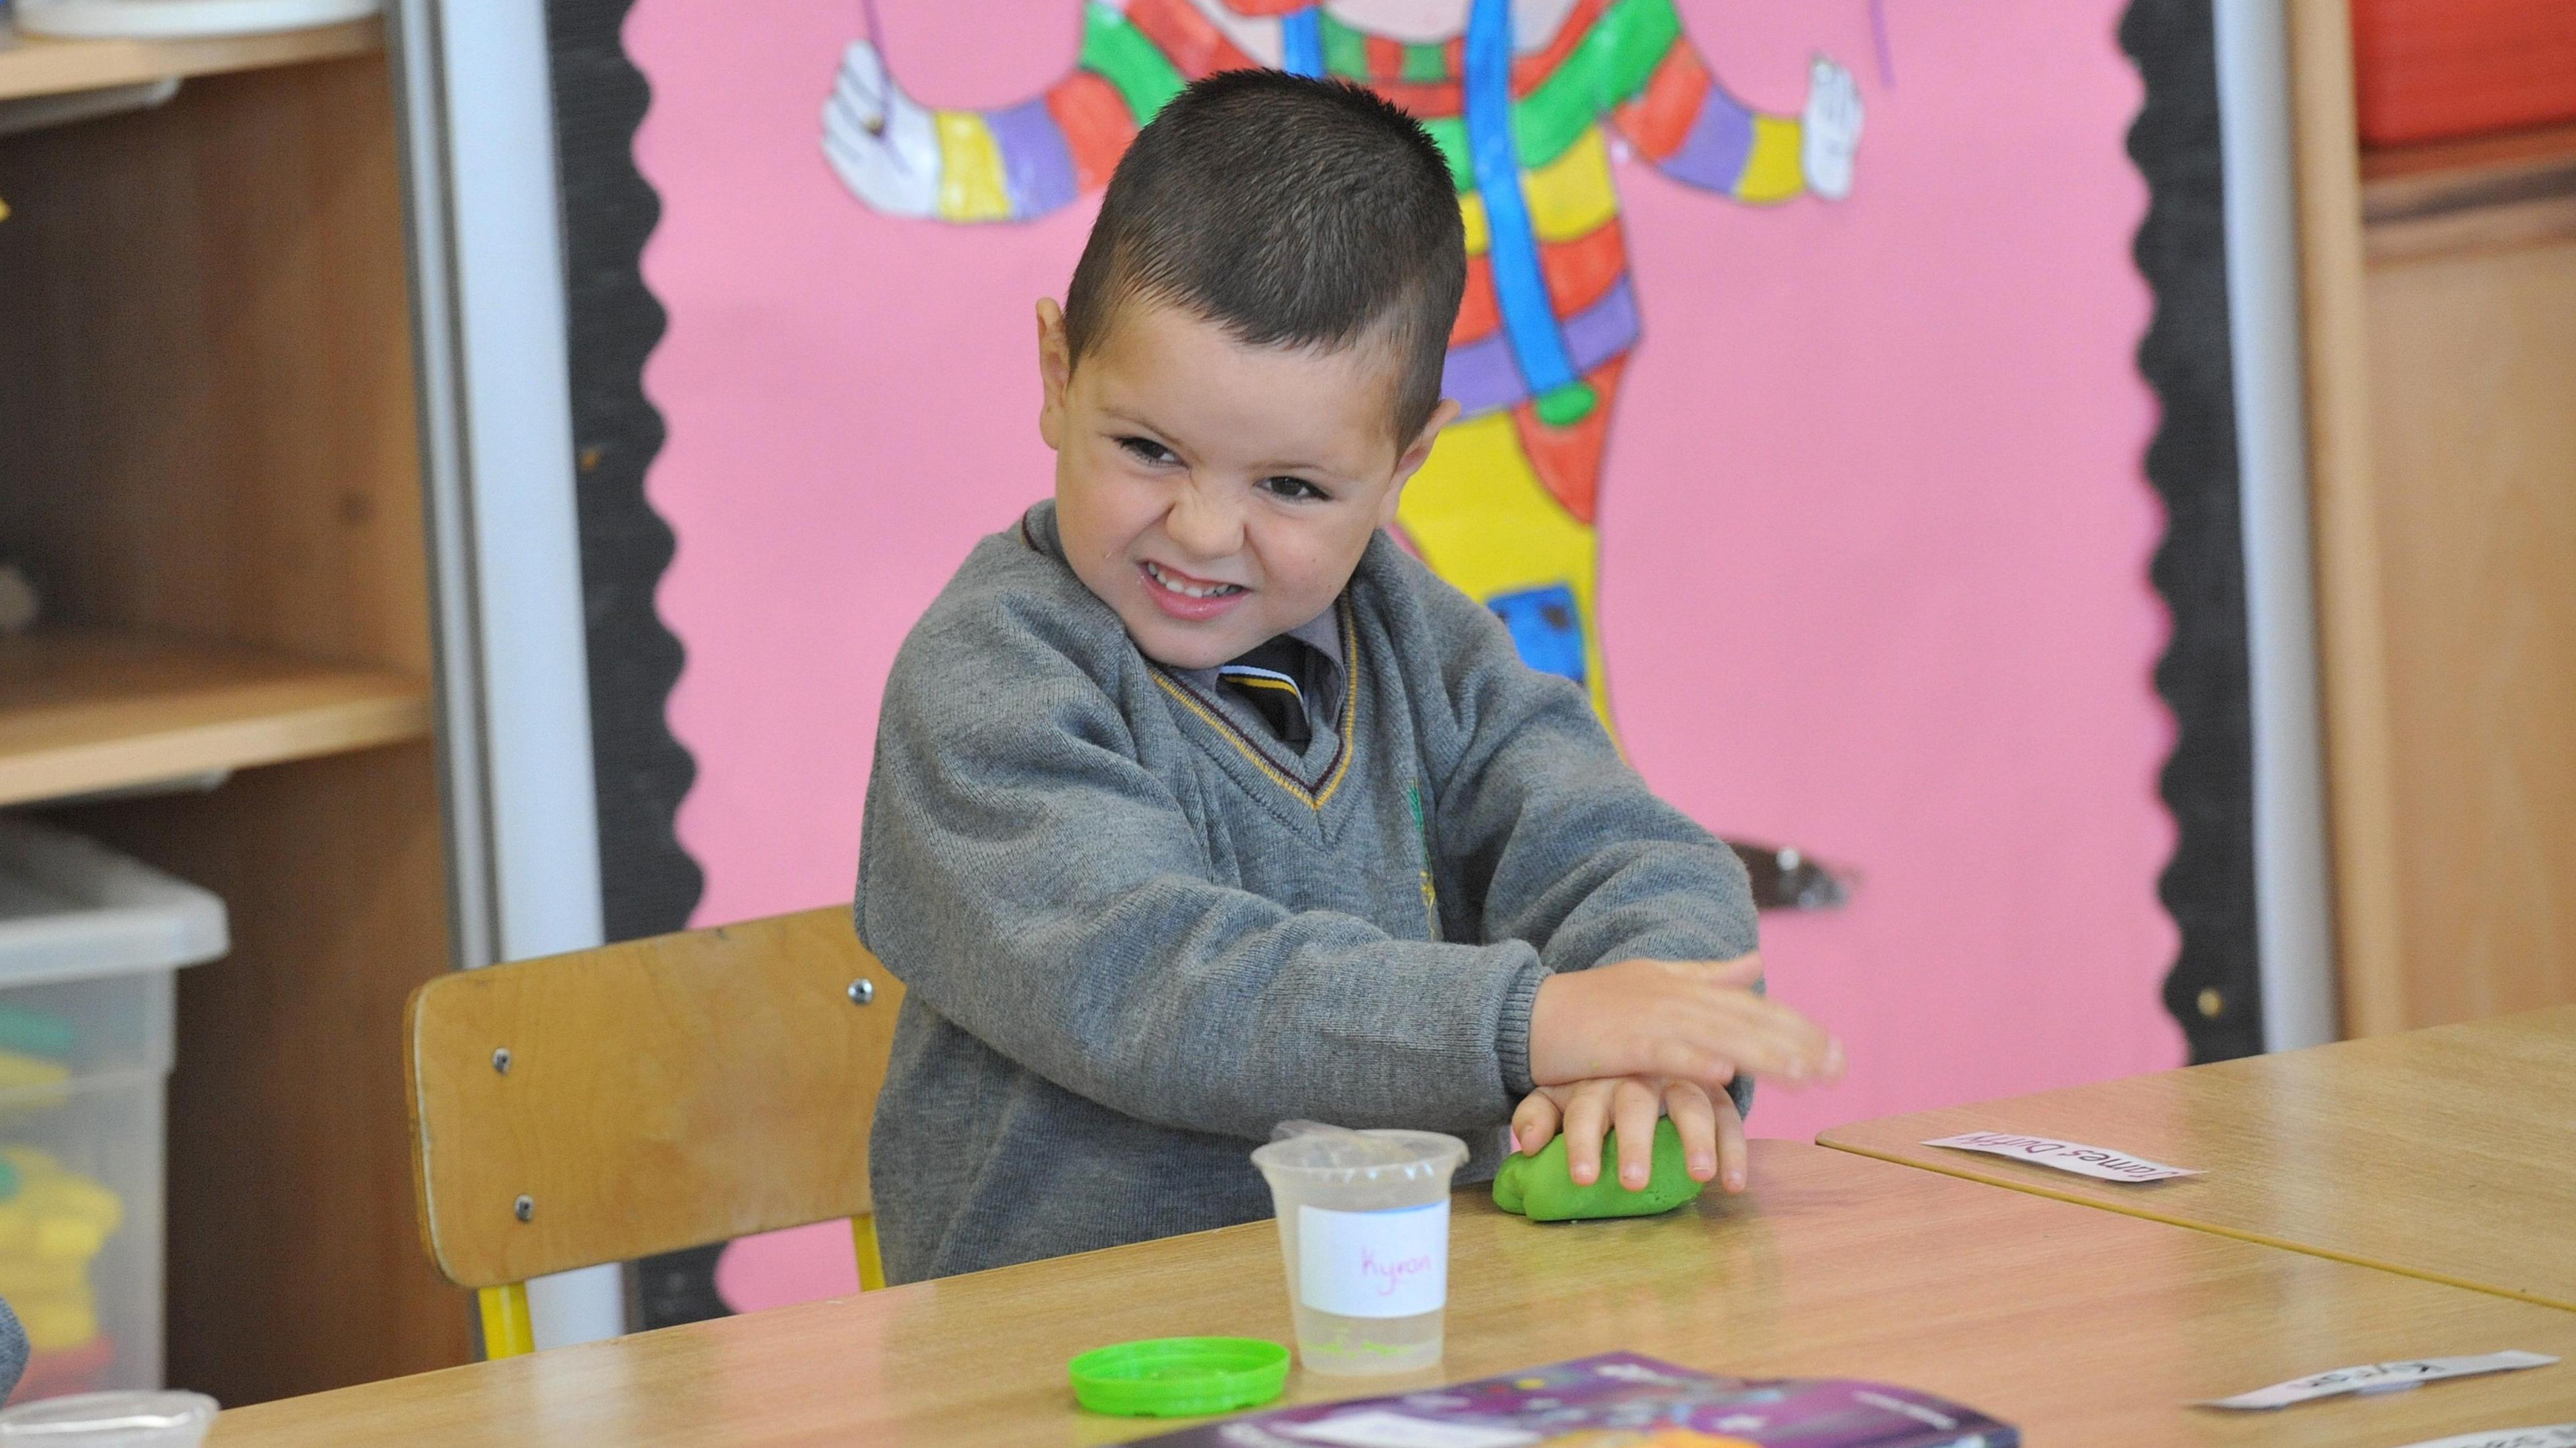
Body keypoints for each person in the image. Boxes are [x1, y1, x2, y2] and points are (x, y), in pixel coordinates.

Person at [857, 70, 1841, 1284]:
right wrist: (1539, 1026)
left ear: (1404, 463)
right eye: (1149, 448)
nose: (1205, 530)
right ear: (1058, 376)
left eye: (1293, 487)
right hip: (1056, 1368)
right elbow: (1166, 985)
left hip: (1416, 1341)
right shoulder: (990, 678)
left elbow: (1628, 850)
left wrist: (1646, 1050)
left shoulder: (1412, 633)